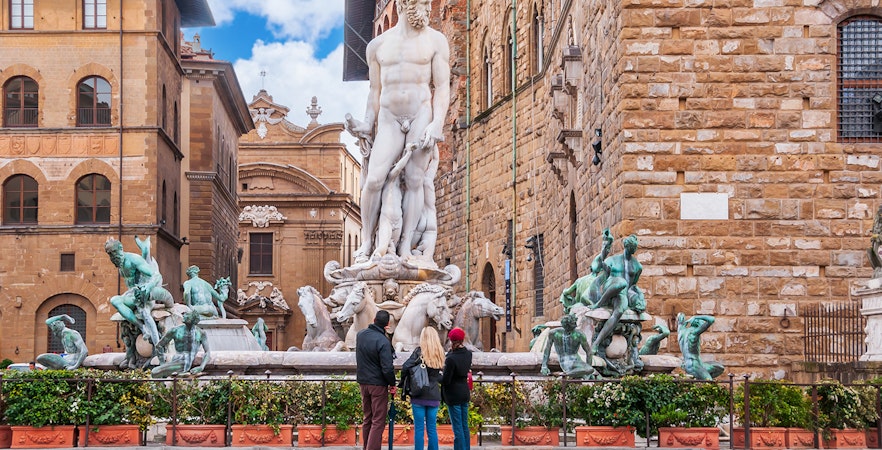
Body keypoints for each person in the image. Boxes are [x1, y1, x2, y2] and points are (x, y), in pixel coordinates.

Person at [346, 0, 451, 263]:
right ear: (404, 4)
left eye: (428, 4)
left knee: (415, 180)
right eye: (421, 3)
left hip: (421, 115)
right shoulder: (377, 46)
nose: (426, 8)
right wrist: (367, 123)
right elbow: (374, 91)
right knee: (373, 180)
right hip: (390, 118)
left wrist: (437, 122)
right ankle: (367, 242)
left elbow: (442, 86)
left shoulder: (436, 41)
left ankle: (405, 247)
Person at [104, 237, 174, 346]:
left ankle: (158, 348)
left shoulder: (133, 259)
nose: (113, 256)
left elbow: (155, 275)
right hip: (132, 295)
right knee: (115, 300)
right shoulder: (120, 264)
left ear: (121, 248)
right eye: (110, 254)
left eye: (114, 252)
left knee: (144, 312)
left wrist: (148, 287)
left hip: (144, 293)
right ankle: (142, 327)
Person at [588, 231, 645, 355]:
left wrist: (638, 297)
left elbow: (633, 285)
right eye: (632, 247)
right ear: (626, 246)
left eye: (634, 248)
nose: (633, 249)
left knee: (619, 311)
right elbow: (597, 266)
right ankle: (598, 303)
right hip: (610, 286)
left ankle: (596, 343)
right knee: (621, 282)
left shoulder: (637, 266)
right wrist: (605, 246)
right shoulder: (613, 260)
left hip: (622, 294)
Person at [356, 310, 397, 450]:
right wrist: (392, 383)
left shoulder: (360, 335)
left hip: (363, 382)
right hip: (378, 385)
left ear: (374, 320)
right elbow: (387, 368)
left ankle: (366, 446)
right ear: (387, 325)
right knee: (378, 420)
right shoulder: (383, 341)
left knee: (367, 417)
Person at [398, 327, 444, 450]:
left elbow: (405, 366)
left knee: (419, 429)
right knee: (432, 428)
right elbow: (439, 375)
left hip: (418, 394)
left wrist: (403, 382)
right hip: (434, 395)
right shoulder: (439, 352)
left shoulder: (419, 352)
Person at [151, 310, 212, 378]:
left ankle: (169, 382)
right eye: (184, 314)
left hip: (186, 362)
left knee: (155, 372)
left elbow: (207, 352)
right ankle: (166, 384)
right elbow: (159, 346)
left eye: (187, 314)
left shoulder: (200, 333)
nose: (184, 315)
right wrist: (162, 363)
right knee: (155, 372)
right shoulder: (175, 330)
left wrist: (201, 367)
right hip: (177, 360)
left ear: (193, 319)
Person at [441, 327, 472, 450]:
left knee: (457, 427)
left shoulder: (451, 359)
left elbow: (446, 380)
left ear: (451, 340)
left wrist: (437, 376)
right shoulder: (468, 354)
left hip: (453, 395)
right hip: (464, 392)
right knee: (464, 425)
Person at [540, 314, 598, 379]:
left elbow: (589, 352)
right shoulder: (554, 333)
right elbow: (547, 350)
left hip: (577, 361)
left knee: (595, 374)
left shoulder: (579, 334)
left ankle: (566, 376)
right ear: (566, 326)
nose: (575, 326)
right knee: (590, 370)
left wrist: (588, 369)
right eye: (572, 325)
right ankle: (566, 375)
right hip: (566, 362)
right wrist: (544, 365)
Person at [677, 313, 724, 380]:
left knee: (719, 368)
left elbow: (680, 320)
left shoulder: (681, 331)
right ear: (697, 323)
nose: (703, 323)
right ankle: (702, 380)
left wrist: (681, 317)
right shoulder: (694, 334)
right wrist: (696, 317)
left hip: (688, 364)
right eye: (701, 322)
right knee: (709, 383)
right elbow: (711, 320)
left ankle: (700, 380)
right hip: (694, 365)